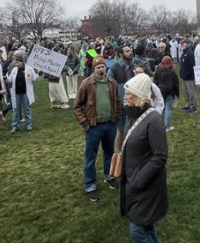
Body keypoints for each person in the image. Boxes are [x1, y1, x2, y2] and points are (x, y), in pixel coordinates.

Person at [120, 73, 168, 243]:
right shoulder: (131, 115)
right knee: (146, 225)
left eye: (128, 93)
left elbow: (160, 155)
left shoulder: (153, 119)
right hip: (133, 180)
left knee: (137, 231)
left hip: (146, 185)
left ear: (139, 96)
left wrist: (139, 179)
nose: (124, 96)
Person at [73, 56, 120, 202]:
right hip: (93, 127)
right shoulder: (87, 83)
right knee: (90, 158)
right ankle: (90, 186)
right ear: (94, 69)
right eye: (98, 67)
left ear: (106, 68)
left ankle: (109, 176)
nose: (101, 69)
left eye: (103, 66)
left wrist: (116, 118)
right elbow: (77, 106)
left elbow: (117, 102)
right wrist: (85, 124)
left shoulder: (112, 82)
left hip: (110, 125)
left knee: (109, 153)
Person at [7, 52, 38, 132]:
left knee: (27, 109)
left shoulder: (29, 69)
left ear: (22, 62)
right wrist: (5, 78)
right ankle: (15, 125)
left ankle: (28, 124)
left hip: (26, 93)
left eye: (18, 62)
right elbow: (10, 79)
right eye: (16, 62)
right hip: (16, 93)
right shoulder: (14, 70)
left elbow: (34, 78)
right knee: (16, 109)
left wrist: (39, 73)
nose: (16, 64)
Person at [152, 56, 178, 131]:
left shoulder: (158, 70)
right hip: (170, 93)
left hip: (160, 92)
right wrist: (177, 93)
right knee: (168, 108)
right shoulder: (171, 72)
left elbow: (155, 81)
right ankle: (167, 126)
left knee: (162, 108)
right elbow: (175, 84)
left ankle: (159, 124)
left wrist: (155, 91)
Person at [179, 39, 197, 114]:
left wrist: (187, 74)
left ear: (187, 44)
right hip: (184, 77)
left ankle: (193, 106)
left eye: (183, 43)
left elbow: (191, 66)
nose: (182, 45)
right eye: (181, 44)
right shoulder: (183, 53)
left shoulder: (190, 54)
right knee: (185, 91)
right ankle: (187, 104)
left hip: (189, 77)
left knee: (191, 91)